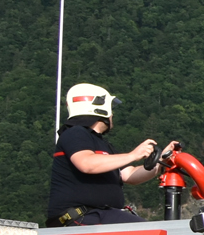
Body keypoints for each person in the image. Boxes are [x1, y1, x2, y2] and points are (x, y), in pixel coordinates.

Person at [47, 82, 174, 227]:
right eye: (111, 109)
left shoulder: (103, 144)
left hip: (97, 216)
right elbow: (86, 163)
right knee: (150, 232)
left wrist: (160, 161)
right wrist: (133, 155)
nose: (112, 114)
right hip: (81, 217)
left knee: (151, 231)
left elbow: (129, 174)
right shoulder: (75, 132)